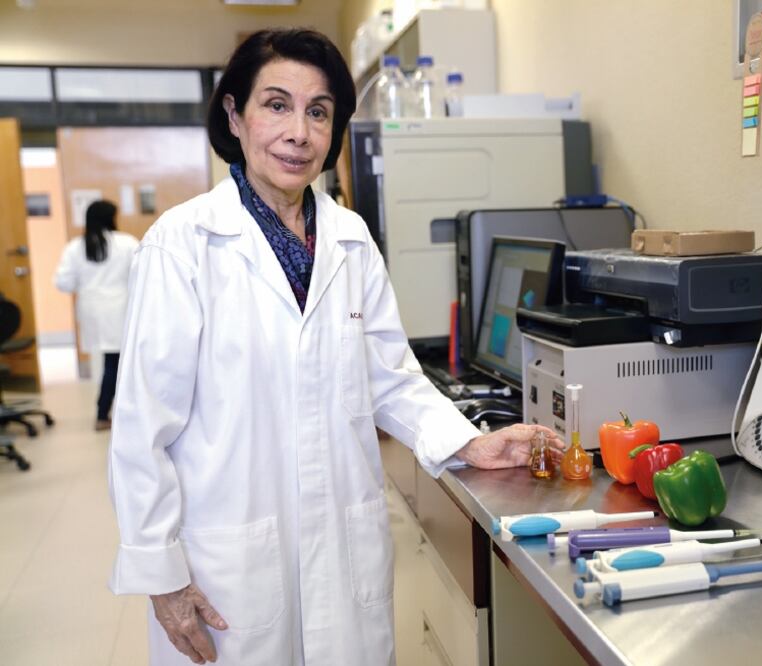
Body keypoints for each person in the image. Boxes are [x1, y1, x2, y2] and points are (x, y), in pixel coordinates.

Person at [107, 28, 562, 666]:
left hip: (342, 554)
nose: (299, 132)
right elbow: (141, 428)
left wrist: (469, 442)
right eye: (277, 105)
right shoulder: (183, 244)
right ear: (234, 115)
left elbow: (390, 376)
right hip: (226, 570)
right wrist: (163, 576)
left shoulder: (350, 238)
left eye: (318, 112)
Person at [54, 199, 139, 431]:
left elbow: (63, 283)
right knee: (116, 363)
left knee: (111, 362)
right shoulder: (126, 243)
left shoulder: (75, 247)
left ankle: (108, 412)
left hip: (91, 310)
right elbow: (141, 274)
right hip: (119, 308)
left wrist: (87, 284)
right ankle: (104, 414)